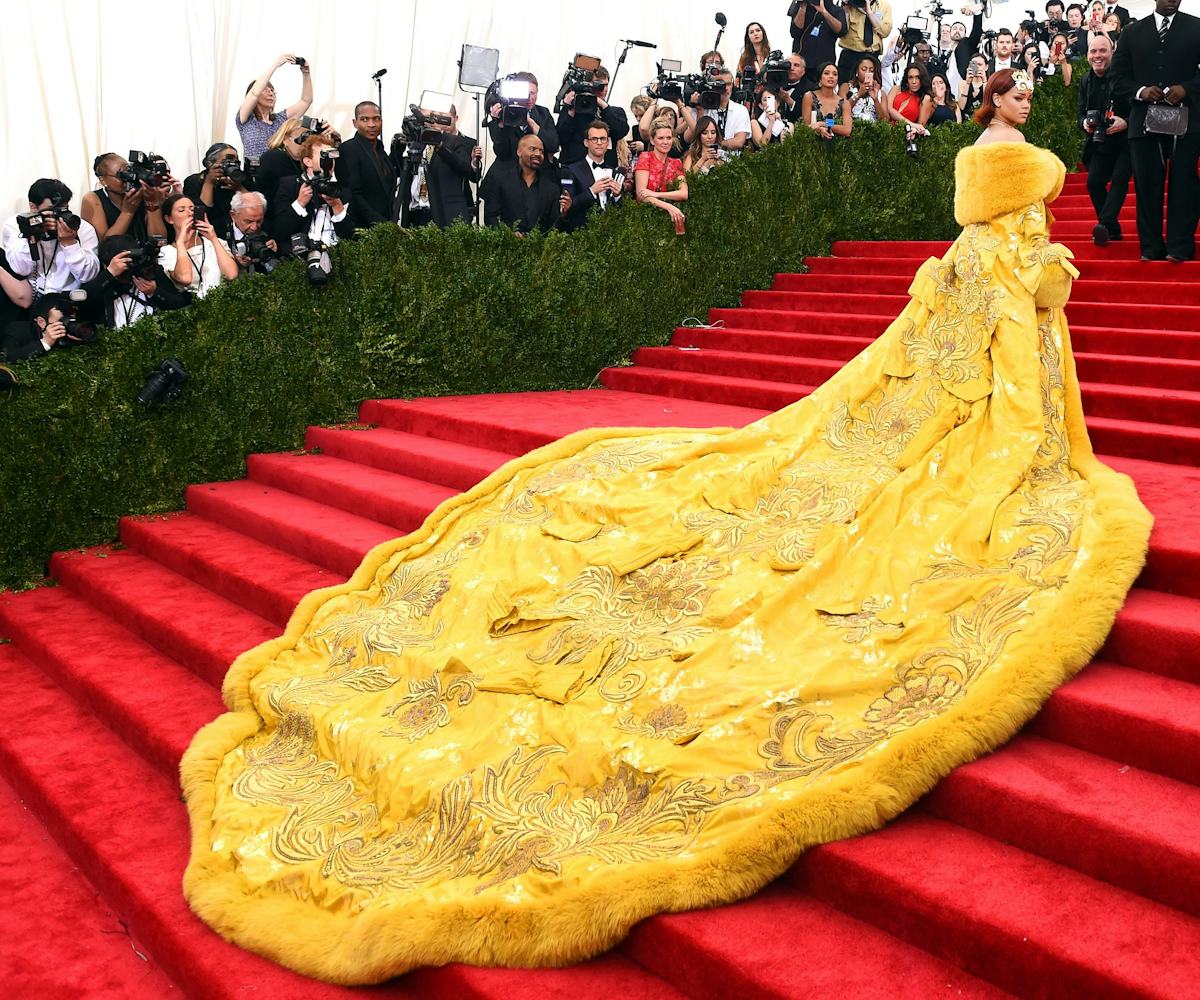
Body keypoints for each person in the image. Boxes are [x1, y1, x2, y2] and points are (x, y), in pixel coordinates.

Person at [182, 67, 1152, 992]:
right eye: (1019, 94)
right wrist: (1026, 446)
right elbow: (990, 375)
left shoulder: (989, 247)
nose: (1026, 100)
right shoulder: (992, 246)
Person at [1112, 0, 1200, 262]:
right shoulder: (1131, 32)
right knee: (1147, 185)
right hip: (1143, 123)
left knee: (1185, 184)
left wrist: (1187, 88)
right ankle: (1150, 248)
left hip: (1188, 121)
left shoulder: (1196, 27)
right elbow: (1118, 77)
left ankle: (1180, 247)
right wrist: (1141, 92)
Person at [2, 179, 101, 298]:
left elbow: (88, 276)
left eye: (63, 209)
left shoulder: (82, 228)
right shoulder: (16, 225)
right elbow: (21, 269)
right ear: (33, 207)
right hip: (33, 298)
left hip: (70, 298)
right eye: (52, 210)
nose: (58, 216)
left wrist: (70, 243)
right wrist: (34, 234)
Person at [1077, 34, 1132, 246]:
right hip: (1101, 139)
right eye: (1093, 51)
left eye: (1102, 51)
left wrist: (1125, 122)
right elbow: (1081, 112)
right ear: (1088, 54)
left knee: (1119, 180)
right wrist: (1084, 124)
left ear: (1112, 52)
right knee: (1094, 183)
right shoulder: (1085, 80)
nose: (1097, 56)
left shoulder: (1124, 76)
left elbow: (1140, 108)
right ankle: (1112, 229)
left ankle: (1105, 224)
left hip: (1127, 140)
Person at [78, 235, 191, 328]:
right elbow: (81, 304)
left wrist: (155, 292)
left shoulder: (149, 272)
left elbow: (180, 305)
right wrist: (110, 274)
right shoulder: (102, 281)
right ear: (105, 264)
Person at [271, 134, 359, 250]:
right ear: (308, 161)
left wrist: (337, 206)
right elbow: (279, 231)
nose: (329, 161)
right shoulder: (290, 185)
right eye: (324, 156)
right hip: (299, 259)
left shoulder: (342, 190)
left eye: (331, 157)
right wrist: (299, 203)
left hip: (335, 258)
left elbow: (351, 237)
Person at [480, 134, 570, 235]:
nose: (538, 154)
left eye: (541, 151)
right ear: (519, 152)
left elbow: (555, 226)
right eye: (532, 149)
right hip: (506, 247)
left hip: (540, 248)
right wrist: (508, 235)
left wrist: (564, 213)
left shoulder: (552, 188)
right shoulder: (500, 180)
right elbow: (490, 217)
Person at [158, 193, 239, 298]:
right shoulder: (166, 252)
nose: (189, 214)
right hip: (191, 309)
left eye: (192, 209)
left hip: (222, 305)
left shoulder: (216, 243)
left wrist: (213, 238)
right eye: (181, 210)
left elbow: (231, 275)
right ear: (169, 219)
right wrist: (180, 243)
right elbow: (185, 279)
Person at [236, 53, 315, 159]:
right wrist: (276, 65)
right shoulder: (246, 120)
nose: (271, 93)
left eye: (272, 90)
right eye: (265, 90)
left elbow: (306, 101)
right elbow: (254, 93)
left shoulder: (280, 119)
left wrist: (306, 73)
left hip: (279, 171)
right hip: (255, 173)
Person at [80, 154, 170, 242]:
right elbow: (106, 245)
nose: (127, 179)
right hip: (116, 256)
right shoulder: (93, 199)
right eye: (121, 175)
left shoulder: (141, 193)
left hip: (146, 254)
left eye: (129, 171)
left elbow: (160, 240)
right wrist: (127, 212)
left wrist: (153, 204)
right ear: (103, 180)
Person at [337, 102, 398, 228]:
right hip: (363, 228)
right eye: (364, 119)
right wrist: (380, 224)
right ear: (355, 123)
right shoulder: (348, 149)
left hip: (387, 225)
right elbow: (353, 195)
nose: (372, 124)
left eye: (376, 119)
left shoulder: (381, 149)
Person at [556, 66, 630, 167]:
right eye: (598, 85)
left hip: (606, 167)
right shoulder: (573, 111)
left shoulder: (615, 112)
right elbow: (560, 138)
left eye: (606, 85)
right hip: (574, 168)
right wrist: (570, 109)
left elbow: (620, 131)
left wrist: (603, 105)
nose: (603, 89)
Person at [424, 105, 483, 228]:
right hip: (428, 203)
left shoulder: (467, 142)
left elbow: (471, 174)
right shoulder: (424, 139)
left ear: (455, 118)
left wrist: (474, 164)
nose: (442, 123)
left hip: (455, 204)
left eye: (445, 119)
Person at [561, 120, 626, 232]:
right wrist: (591, 191)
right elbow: (568, 206)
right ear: (586, 142)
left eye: (602, 139)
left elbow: (621, 210)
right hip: (582, 234)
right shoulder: (571, 170)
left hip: (611, 234)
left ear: (607, 142)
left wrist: (617, 196)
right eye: (594, 139)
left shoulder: (614, 172)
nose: (599, 142)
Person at [183, 144, 249, 243]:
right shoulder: (194, 181)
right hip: (208, 237)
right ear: (210, 163)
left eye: (236, 162)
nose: (233, 164)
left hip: (238, 237)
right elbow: (201, 214)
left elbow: (254, 208)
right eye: (228, 161)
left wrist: (238, 188)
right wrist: (209, 182)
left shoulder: (242, 180)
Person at [488, 72, 560, 163]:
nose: (529, 98)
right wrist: (499, 124)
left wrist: (532, 123)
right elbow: (501, 153)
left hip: (538, 169)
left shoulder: (543, 113)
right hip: (509, 169)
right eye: (526, 93)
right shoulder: (505, 113)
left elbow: (553, 145)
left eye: (532, 93)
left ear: (537, 92)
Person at [634, 123, 688, 233]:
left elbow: (683, 194)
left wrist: (656, 194)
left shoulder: (676, 162)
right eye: (661, 138)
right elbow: (641, 195)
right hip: (646, 219)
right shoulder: (645, 157)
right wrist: (668, 206)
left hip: (669, 220)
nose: (665, 142)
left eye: (668, 138)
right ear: (652, 140)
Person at [790, 0, 849, 86]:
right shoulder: (800, 5)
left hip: (824, 63)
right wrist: (802, 7)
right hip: (802, 62)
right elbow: (795, 32)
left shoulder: (836, 10)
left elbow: (841, 31)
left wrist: (824, 12)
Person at [255, 117, 308, 208]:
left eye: (309, 141)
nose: (305, 145)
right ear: (285, 139)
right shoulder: (274, 157)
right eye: (301, 140)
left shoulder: (299, 161)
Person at [1, 293, 70, 361]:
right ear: (41, 322)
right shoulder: (17, 330)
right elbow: (7, 358)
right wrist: (45, 343)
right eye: (62, 321)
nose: (66, 325)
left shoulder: (72, 332)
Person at [837, 1, 893, 85]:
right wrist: (845, 7)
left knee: (870, 89)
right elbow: (841, 31)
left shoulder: (883, 5)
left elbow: (885, 32)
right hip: (850, 56)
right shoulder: (850, 3)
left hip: (872, 57)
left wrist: (869, 12)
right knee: (845, 89)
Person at [228, 191, 280, 272]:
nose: (254, 227)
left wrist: (273, 251)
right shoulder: (218, 231)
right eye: (248, 221)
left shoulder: (271, 230)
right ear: (233, 215)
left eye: (259, 221)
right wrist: (233, 261)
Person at [801, 62, 853, 140]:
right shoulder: (809, 96)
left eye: (835, 74)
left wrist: (823, 124)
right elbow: (806, 126)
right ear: (820, 78)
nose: (831, 76)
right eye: (826, 73)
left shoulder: (844, 103)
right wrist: (819, 130)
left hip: (837, 145)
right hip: (812, 144)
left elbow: (847, 130)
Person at [840, 54, 887, 122]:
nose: (867, 72)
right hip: (852, 128)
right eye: (864, 69)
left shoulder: (881, 93)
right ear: (857, 71)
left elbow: (885, 120)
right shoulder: (846, 87)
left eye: (871, 70)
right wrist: (858, 94)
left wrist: (876, 100)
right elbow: (841, 111)